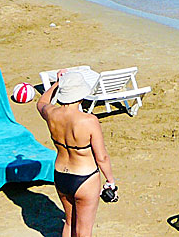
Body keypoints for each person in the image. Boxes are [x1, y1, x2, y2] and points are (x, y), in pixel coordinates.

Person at [37, 70, 116, 237]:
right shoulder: (89, 121)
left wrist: (58, 83)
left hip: (61, 175)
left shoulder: (52, 114)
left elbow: (41, 102)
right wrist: (110, 180)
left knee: (69, 222)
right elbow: (102, 158)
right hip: (85, 178)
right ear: (81, 94)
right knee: (84, 231)